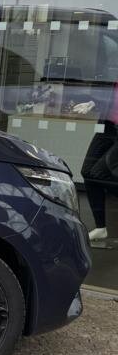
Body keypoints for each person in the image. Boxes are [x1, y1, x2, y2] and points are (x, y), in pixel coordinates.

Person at [77, 80, 118, 242]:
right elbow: (107, 95)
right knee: (87, 172)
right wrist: (93, 102)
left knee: (98, 173)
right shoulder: (112, 70)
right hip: (107, 126)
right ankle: (101, 228)